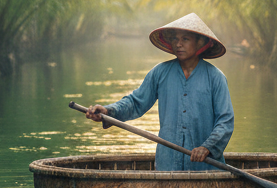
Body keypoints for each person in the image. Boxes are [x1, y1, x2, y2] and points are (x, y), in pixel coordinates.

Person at [86, 13, 234, 171]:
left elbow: (225, 121)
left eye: (185, 39)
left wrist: (207, 147)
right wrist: (109, 111)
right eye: (175, 39)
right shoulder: (160, 73)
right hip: (168, 163)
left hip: (205, 166)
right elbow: (136, 102)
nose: (178, 44)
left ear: (199, 43)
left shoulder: (215, 77)